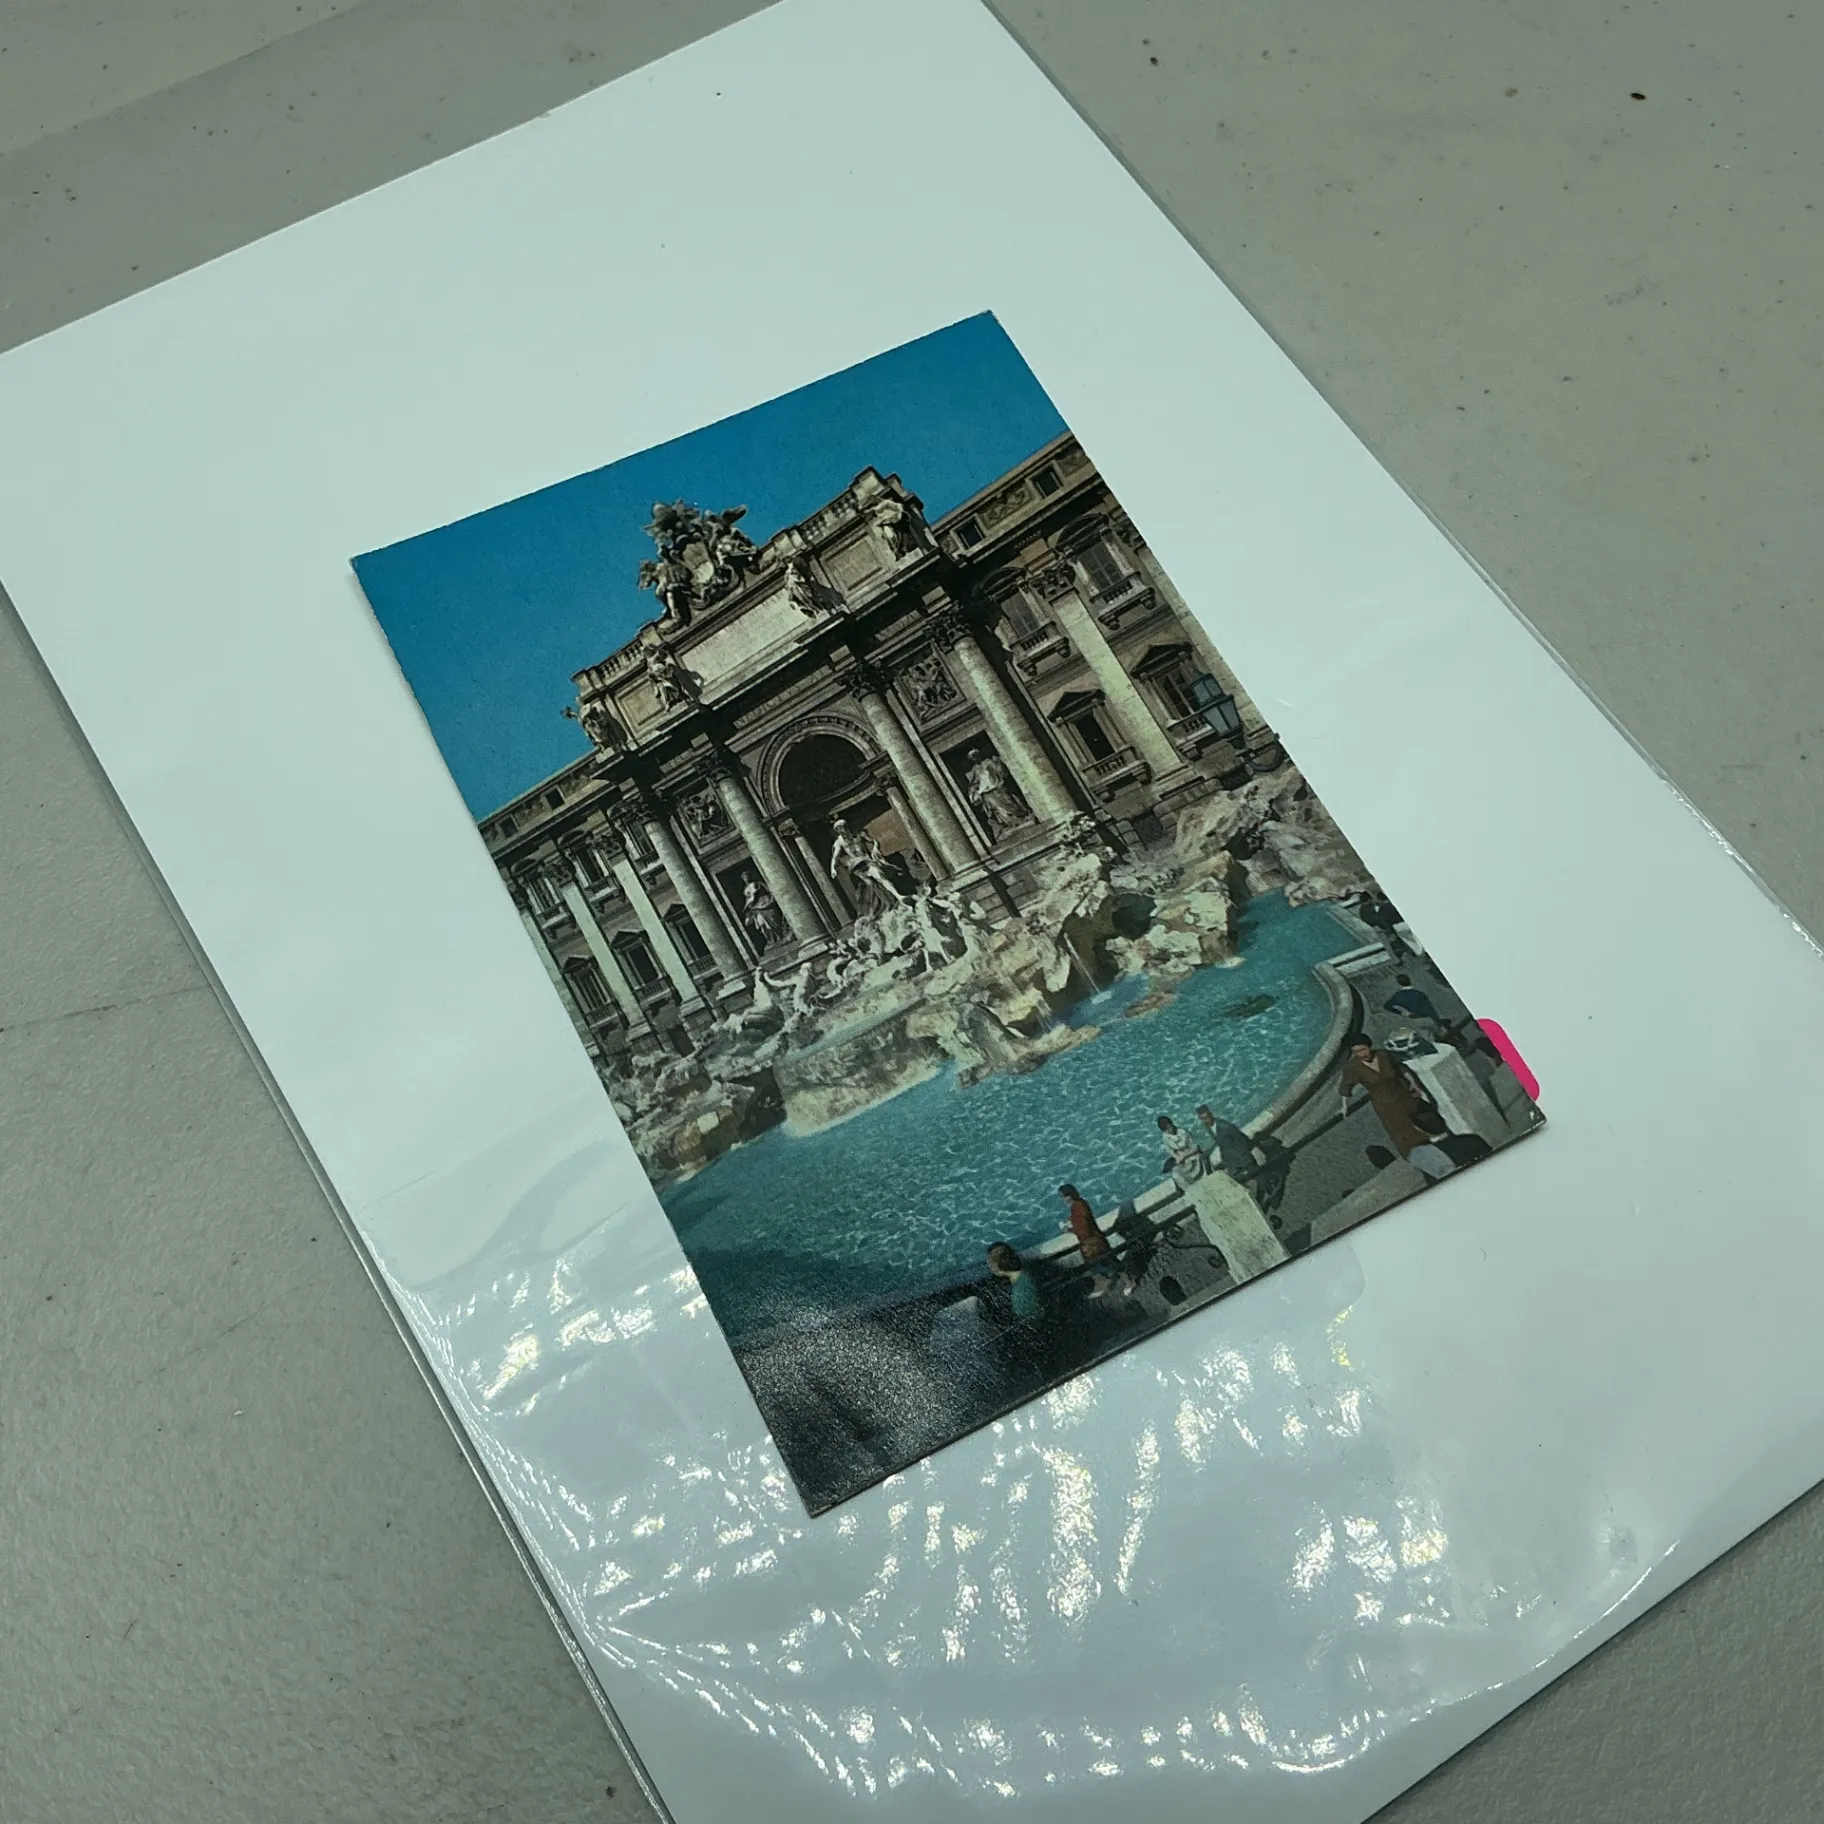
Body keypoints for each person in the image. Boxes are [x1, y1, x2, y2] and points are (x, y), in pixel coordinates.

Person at [1156, 1114, 1288, 1283]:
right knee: (1177, 1173)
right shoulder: (1166, 1139)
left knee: (1199, 1162)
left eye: (1170, 1125)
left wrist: (1186, 1156)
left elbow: (1195, 1147)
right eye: (1167, 1128)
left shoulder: (1182, 1132)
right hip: (1185, 1162)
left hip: (1193, 1156)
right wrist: (1180, 1159)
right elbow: (1174, 1155)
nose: (1170, 1129)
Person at [1339, 1034, 1438, 1158]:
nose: (1362, 1054)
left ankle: (1434, 1145)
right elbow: (1345, 1087)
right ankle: (1418, 1156)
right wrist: (1344, 1106)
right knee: (1402, 1130)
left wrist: (1414, 1084)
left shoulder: (1383, 1055)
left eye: (1363, 1049)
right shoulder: (1353, 1068)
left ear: (1369, 1046)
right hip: (1385, 1104)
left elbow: (1401, 1069)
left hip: (1403, 1095)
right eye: (1357, 1052)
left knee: (1419, 1120)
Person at [1058, 1183, 1118, 1299]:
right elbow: (1085, 1219)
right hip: (1097, 1240)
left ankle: (1105, 1285)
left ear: (1069, 1196)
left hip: (1092, 1245)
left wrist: (1069, 1230)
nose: (1063, 1199)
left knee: (1098, 1266)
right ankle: (1114, 1281)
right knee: (1108, 1262)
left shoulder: (1076, 1207)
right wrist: (1072, 1219)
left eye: (1063, 1196)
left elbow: (1084, 1231)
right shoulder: (1081, 1203)